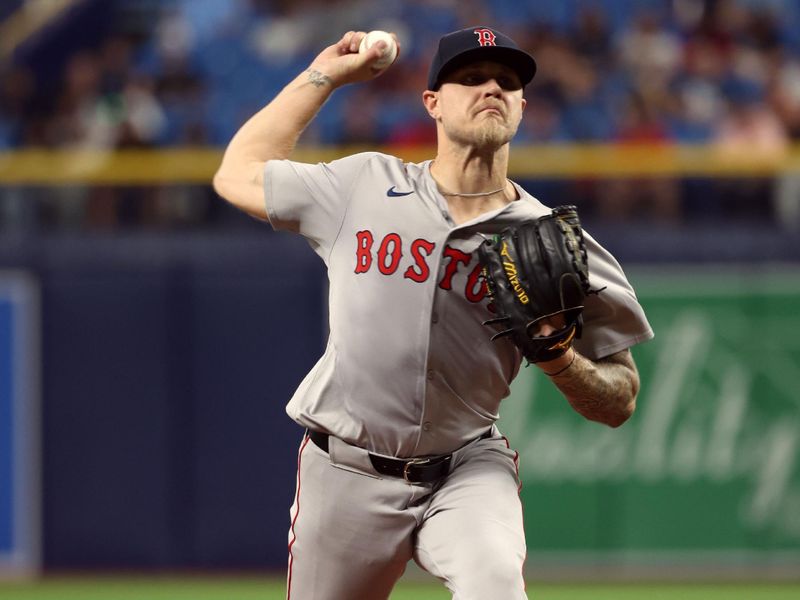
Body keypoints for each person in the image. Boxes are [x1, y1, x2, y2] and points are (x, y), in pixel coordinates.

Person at [213, 26, 653, 600]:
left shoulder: (555, 241)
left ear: (523, 106)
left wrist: (560, 358)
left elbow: (621, 399)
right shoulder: (363, 186)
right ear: (433, 104)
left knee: (495, 583)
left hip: (468, 467)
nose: (491, 88)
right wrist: (325, 76)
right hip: (345, 471)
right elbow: (235, 174)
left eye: (507, 82)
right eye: (470, 79)